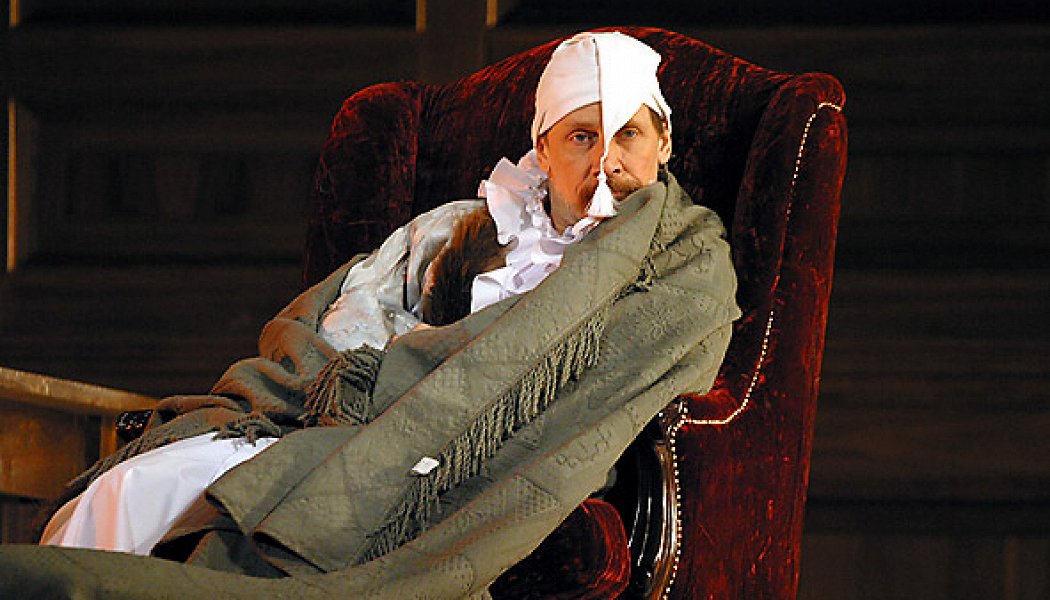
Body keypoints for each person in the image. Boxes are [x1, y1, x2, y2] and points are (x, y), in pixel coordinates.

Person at [12, 30, 740, 598]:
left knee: (224, 522)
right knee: (130, 490)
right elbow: (338, 334)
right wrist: (387, 378)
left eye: (627, 135)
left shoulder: (678, 264)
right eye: (582, 137)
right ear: (543, 149)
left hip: (437, 465)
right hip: (345, 426)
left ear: (663, 143)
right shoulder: (461, 229)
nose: (606, 161)